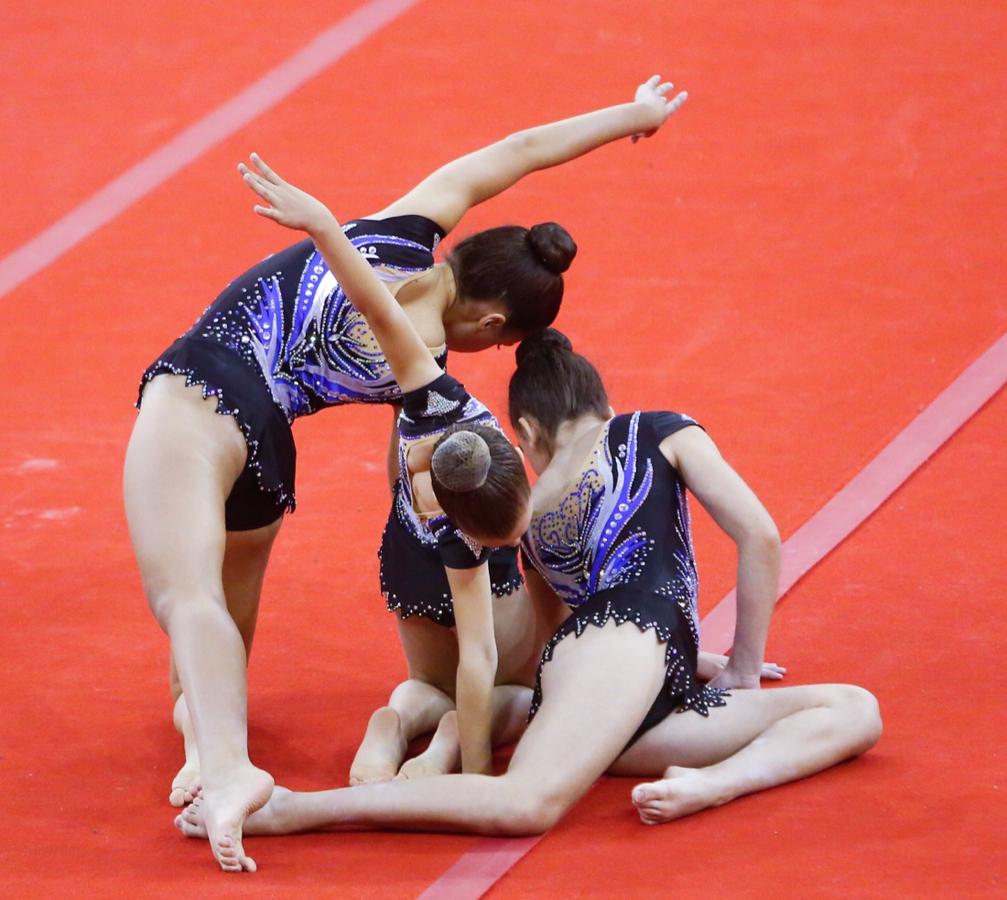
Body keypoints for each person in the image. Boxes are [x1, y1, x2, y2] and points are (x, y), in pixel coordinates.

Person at [124, 76, 688, 871]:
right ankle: (209, 742)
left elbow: (517, 151)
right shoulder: (420, 362)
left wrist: (635, 113)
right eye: (499, 343)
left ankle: (222, 760)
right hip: (264, 439)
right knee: (214, 596)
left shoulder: (404, 225)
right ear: (493, 322)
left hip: (200, 398)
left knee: (188, 597)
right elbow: (394, 374)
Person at [175, 331, 881, 846]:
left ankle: (713, 782)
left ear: (526, 434)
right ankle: (291, 809)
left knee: (853, 709)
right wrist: (743, 665)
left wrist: (693, 661)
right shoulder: (658, 430)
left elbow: (555, 649)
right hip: (630, 642)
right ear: (601, 402)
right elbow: (758, 535)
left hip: (636, 669)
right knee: (525, 804)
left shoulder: (530, 513)